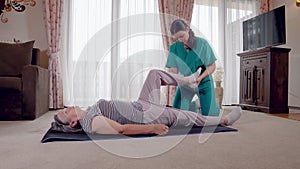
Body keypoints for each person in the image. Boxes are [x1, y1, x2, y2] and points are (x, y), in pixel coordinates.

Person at [54, 69, 242, 136]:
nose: (68, 107)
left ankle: (189, 79)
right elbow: (121, 128)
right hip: (146, 115)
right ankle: (224, 121)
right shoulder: (91, 122)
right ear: (73, 122)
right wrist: (152, 128)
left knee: (154, 73)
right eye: (66, 112)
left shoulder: (88, 111)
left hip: (141, 104)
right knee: (188, 117)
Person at [165, 19, 220, 116]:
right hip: (185, 84)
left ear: (187, 29)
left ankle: (209, 104)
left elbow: (212, 66)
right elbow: (173, 70)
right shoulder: (174, 48)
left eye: (181, 36)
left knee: (210, 117)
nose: (180, 40)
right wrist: (173, 78)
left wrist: (200, 78)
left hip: (203, 82)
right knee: (177, 116)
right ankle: (195, 105)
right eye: (177, 38)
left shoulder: (203, 44)